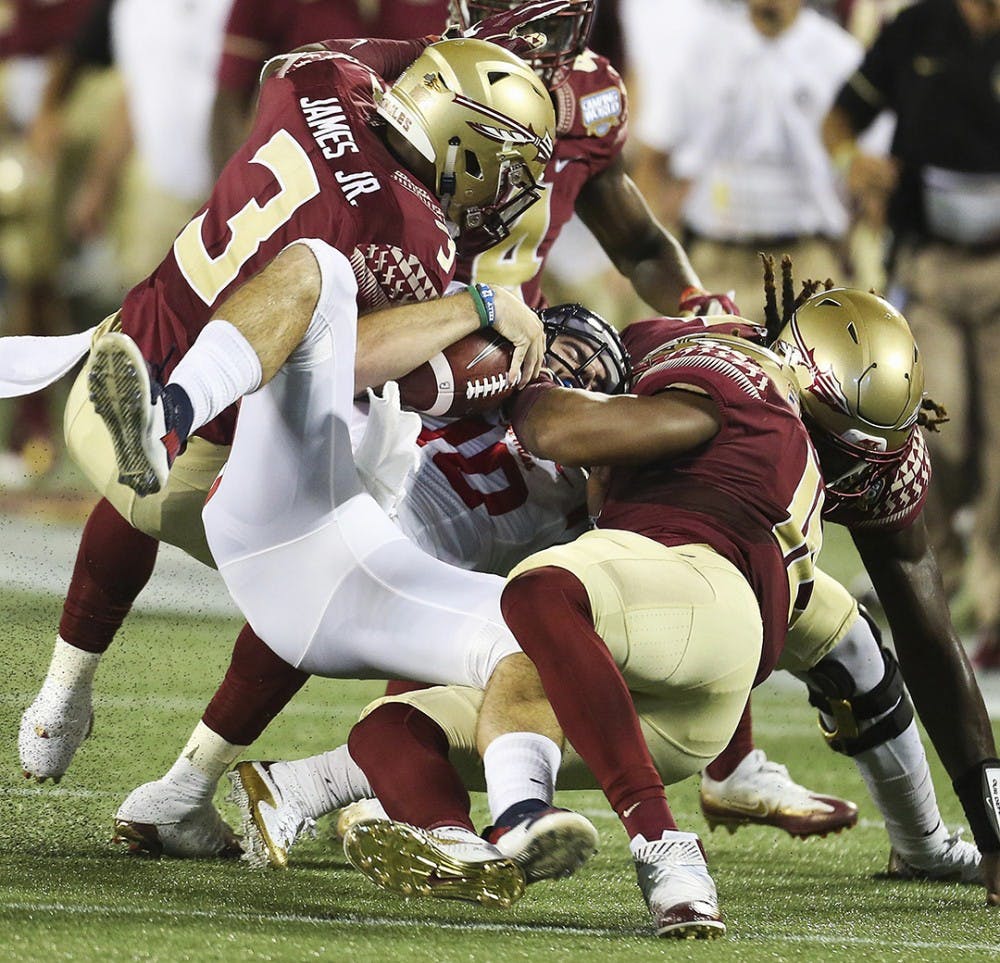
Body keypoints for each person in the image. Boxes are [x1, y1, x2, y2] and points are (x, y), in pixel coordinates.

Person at [7, 20, 557, 824]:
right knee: (332, 542)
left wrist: (440, 57)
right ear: (465, 146)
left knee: (144, 479)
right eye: (506, 167)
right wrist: (477, 309)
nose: (512, 190)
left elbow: (359, 62)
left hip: (120, 350)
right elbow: (364, 361)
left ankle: (61, 693)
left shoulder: (311, 87)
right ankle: (189, 784)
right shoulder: (407, 242)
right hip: (216, 466)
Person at [332, 284, 1000, 937]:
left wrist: (992, 818)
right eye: (833, 435)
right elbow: (574, 409)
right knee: (426, 699)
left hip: (725, 576)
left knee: (852, 645)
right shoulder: (721, 370)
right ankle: (366, 801)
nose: (848, 461)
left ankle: (921, 842)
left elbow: (931, 637)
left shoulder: (874, 456)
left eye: (866, 443)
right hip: (623, 534)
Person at [821, 0, 1000, 669]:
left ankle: (995, 601)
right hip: (928, 264)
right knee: (938, 426)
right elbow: (840, 119)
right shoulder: (918, 29)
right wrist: (850, 163)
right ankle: (946, 568)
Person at [629, 0, 863, 325]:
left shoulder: (839, 55)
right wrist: (639, 251)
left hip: (806, 258)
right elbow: (656, 153)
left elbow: (869, 169)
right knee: (700, 371)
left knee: (815, 370)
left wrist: (860, 246)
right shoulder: (705, 49)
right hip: (714, 259)